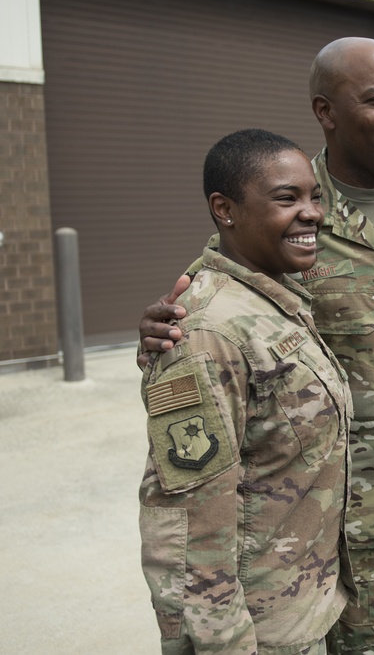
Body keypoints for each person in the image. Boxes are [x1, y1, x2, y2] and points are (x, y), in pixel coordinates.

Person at [139, 38, 374, 654]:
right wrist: (156, 336)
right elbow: (210, 319)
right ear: (326, 111)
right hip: (345, 527)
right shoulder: (288, 217)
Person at [138, 129, 354, 655]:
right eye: (287, 198)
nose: (312, 213)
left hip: (300, 605)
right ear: (225, 209)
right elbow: (187, 530)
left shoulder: (274, 295)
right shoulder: (208, 332)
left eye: (314, 196)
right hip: (258, 632)